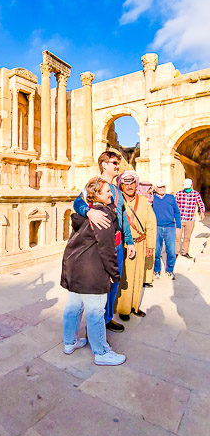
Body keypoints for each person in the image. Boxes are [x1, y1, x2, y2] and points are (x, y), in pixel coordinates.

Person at [61, 177, 126, 366]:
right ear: (96, 194)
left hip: (74, 267)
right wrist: (114, 274)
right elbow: (107, 249)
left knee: (73, 306)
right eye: (107, 191)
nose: (111, 194)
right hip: (91, 270)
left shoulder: (87, 213)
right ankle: (101, 352)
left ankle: (70, 342)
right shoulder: (103, 215)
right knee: (96, 310)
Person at [73, 150, 135, 333]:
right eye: (114, 163)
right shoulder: (94, 184)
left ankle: (107, 318)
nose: (118, 166)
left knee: (114, 282)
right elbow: (77, 202)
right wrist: (88, 211)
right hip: (99, 243)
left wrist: (129, 241)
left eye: (118, 163)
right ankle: (96, 322)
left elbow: (123, 217)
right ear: (104, 165)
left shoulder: (116, 189)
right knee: (99, 284)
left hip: (117, 243)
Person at [115, 171, 156, 319]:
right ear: (121, 186)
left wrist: (150, 245)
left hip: (141, 243)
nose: (130, 186)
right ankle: (124, 309)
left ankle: (134, 306)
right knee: (125, 277)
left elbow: (151, 224)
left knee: (138, 276)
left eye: (132, 183)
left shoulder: (144, 201)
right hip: (125, 244)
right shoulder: (117, 202)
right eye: (126, 184)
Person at [151, 181, 181, 280]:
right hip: (157, 227)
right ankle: (157, 270)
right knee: (156, 251)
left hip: (170, 227)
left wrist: (178, 227)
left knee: (171, 251)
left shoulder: (170, 198)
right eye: (160, 187)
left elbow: (177, 213)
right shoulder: (152, 199)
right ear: (156, 188)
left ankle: (170, 270)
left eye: (163, 187)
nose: (162, 189)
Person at [175, 178, 206, 259]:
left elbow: (200, 203)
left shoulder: (196, 194)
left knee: (187, 237)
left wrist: (202, 212)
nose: (187, 189)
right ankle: (176, 252)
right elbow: (174, 205)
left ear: (192, 186)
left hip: (190, 219)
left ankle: (185, 252)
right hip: (180, 219)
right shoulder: (179, 194)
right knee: (177, 237)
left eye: (188, 188)